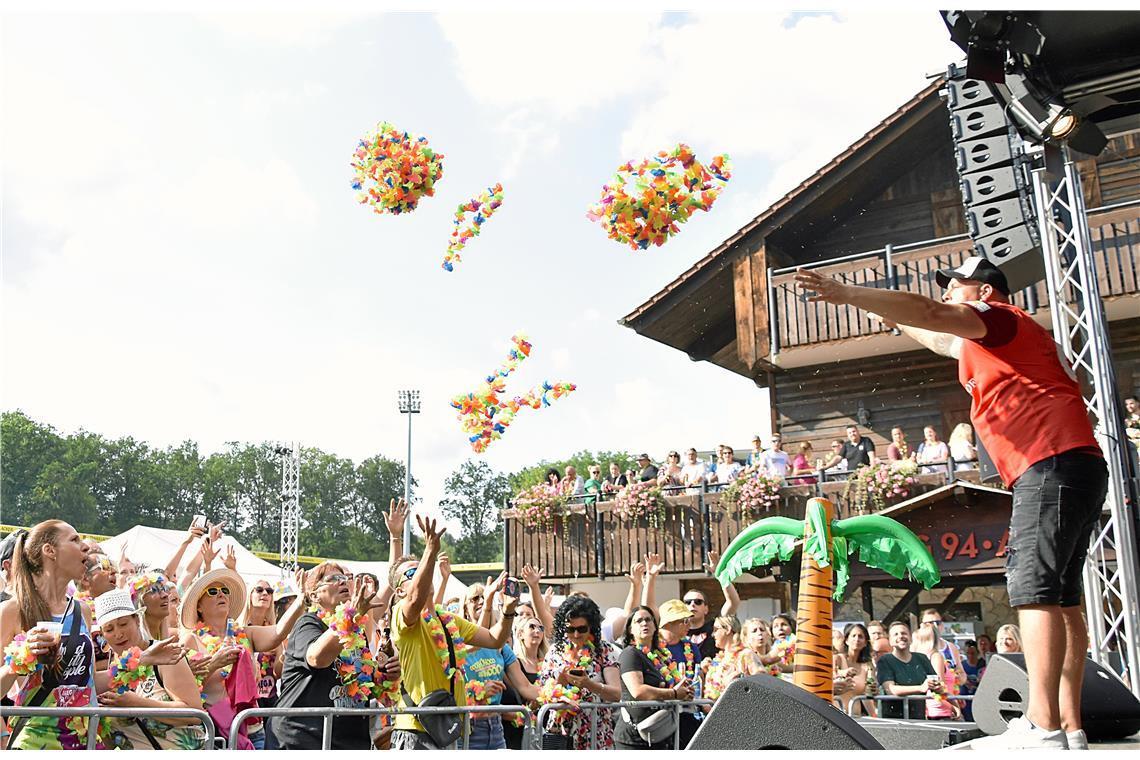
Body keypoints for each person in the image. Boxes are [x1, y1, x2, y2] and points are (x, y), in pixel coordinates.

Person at [797, 256, 1109, 749]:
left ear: (983, 294)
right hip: (1074, 465)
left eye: (954, 288)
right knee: (1063, 599)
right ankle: (1069, 726)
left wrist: (848, 293)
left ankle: (1043, 724)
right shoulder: (1001, 340)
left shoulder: (1003, 319)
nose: (945, 297)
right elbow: (938, 331)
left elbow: (936, 316)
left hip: (1048, 465)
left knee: (1032, 591)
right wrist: (895, 315)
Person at [0, 520, 182, 749]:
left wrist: (143, 659)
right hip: (36, 740)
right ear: (50, 551)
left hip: (84, 738)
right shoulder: (12, 611)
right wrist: (21, 658)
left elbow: (89, 683)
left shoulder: (82, 610)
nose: (85, 547)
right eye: (74, 540)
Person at [389, 514, 521, 750]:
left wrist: (509, 612)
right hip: (415, 729)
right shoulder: (402, 614)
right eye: (413, 573)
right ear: (399, 592)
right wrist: (429, 550)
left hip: (450, 727)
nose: (422, 572)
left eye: (421, 568)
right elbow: (415, 598)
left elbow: (494, 638)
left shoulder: (449, 619)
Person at [180, 566, 305, 750]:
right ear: (199, 606)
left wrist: (301, 600)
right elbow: (184, 687)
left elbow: (278, 633)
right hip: (215, 733)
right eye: (213, 591)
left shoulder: (245, 634)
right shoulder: (191, 640)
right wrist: (215, 664)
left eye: (225, 591)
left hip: (252, 730)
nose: (221, 594)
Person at [94, 588, 207, 750]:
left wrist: (137, 704)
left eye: (123, 624)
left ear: (137, 621)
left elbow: (195, 714)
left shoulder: (164, 654)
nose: (118, 634)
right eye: (109, 629)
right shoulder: (108, 674)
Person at [459, 577, 539, 749]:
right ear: (465, 608)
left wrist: (558, 694)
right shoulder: (457, 644)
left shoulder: (500, 647)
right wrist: (478, 693)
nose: (480, 601)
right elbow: (449, 693)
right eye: (475, 599)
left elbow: (525, 687)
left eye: (484, 597)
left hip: (495, 727)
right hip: (467, 727)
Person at [537, 595, 621, 749]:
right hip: (561, 730)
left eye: (581, 629)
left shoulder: (603, 650)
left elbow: (616, 694)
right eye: (570, 629)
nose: (576, 635)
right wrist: (560, 683)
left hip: (594, 730)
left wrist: (589, 684)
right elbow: (543, 692)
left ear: (591, 627)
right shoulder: (555, 651)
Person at [615, 606, 692, 750]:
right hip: (634, 738)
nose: (644, 623)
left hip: (661, 732)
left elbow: (670, 686)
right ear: (630, 630)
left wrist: (684, 693)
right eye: (639, 621)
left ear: (655, 627)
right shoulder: (630, 654)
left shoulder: (662, 655)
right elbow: (638, 691)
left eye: (648, 620)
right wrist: (674, 694)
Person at [238, 578, 285, 750]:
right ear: (249, 595)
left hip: (270, 700)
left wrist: (282, 657)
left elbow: (279, 672)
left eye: (269, 591)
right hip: (247, 702)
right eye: (259, 590)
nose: (265, 593)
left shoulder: (275, 631)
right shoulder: (238, 628)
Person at [657, 599, 704, 745]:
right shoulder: (653, 648)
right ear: (669, 623)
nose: (689, 625)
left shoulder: (691, 647)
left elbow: (698, 674)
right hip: (661, 714)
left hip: (687, 713)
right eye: (684, 621)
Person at [875, 621, 940, 720]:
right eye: (896, 634)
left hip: (918, 717)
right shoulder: (885, 660)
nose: (900, 636)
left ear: (910, 638)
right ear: (890, 640)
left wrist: (952, 703)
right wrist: (920, 688)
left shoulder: (921, 658)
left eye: (904, 633)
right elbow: (891, 690)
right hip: (893, 719)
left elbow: (937, 684)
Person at [684, 551, 740, 660]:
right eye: (688, 602)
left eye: (698, 602)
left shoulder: (716, 626)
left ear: (706, 609)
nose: (693, 604)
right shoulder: (677, 631)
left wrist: (720, 574)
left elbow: (733, 601)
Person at [505, 615, 547, 750]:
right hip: (518, 727)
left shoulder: (548, 662)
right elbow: (516, 691)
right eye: (532, 627)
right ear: (520, 634)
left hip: (544, 724)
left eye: (540, 628)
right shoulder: (514, 663)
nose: (537, 631)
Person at [912, 625, 962, 721]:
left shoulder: (921, 659)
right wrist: (954, 707)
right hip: (941, 711)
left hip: (935, 710)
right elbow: (938, 689)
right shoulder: (935, 657)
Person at [834, 623, 877, 717]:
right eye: (853, 635)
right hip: (836, 715)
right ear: (846, 640)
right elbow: (831, 676)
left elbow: (867, 696)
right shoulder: (838, 659)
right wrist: (842, 673)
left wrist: (874, 716)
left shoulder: (868, 666)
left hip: (856, 717)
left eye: (860, 636)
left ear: (866, 642)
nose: (857, 639)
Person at [701, 615, 745, 701]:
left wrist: (741, 679)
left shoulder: (745, 654)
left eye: (716, 630)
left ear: (728, 629)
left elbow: (761, 681)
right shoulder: (719, 659)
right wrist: (705, 672)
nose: (713, 635)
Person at [960, 639, 986, 720]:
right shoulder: (961, 665)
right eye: (968, 653)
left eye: (973, 653)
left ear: (977, 653)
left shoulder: (983, 665)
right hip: (965, 701)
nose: (970, 656)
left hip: (980, 701)